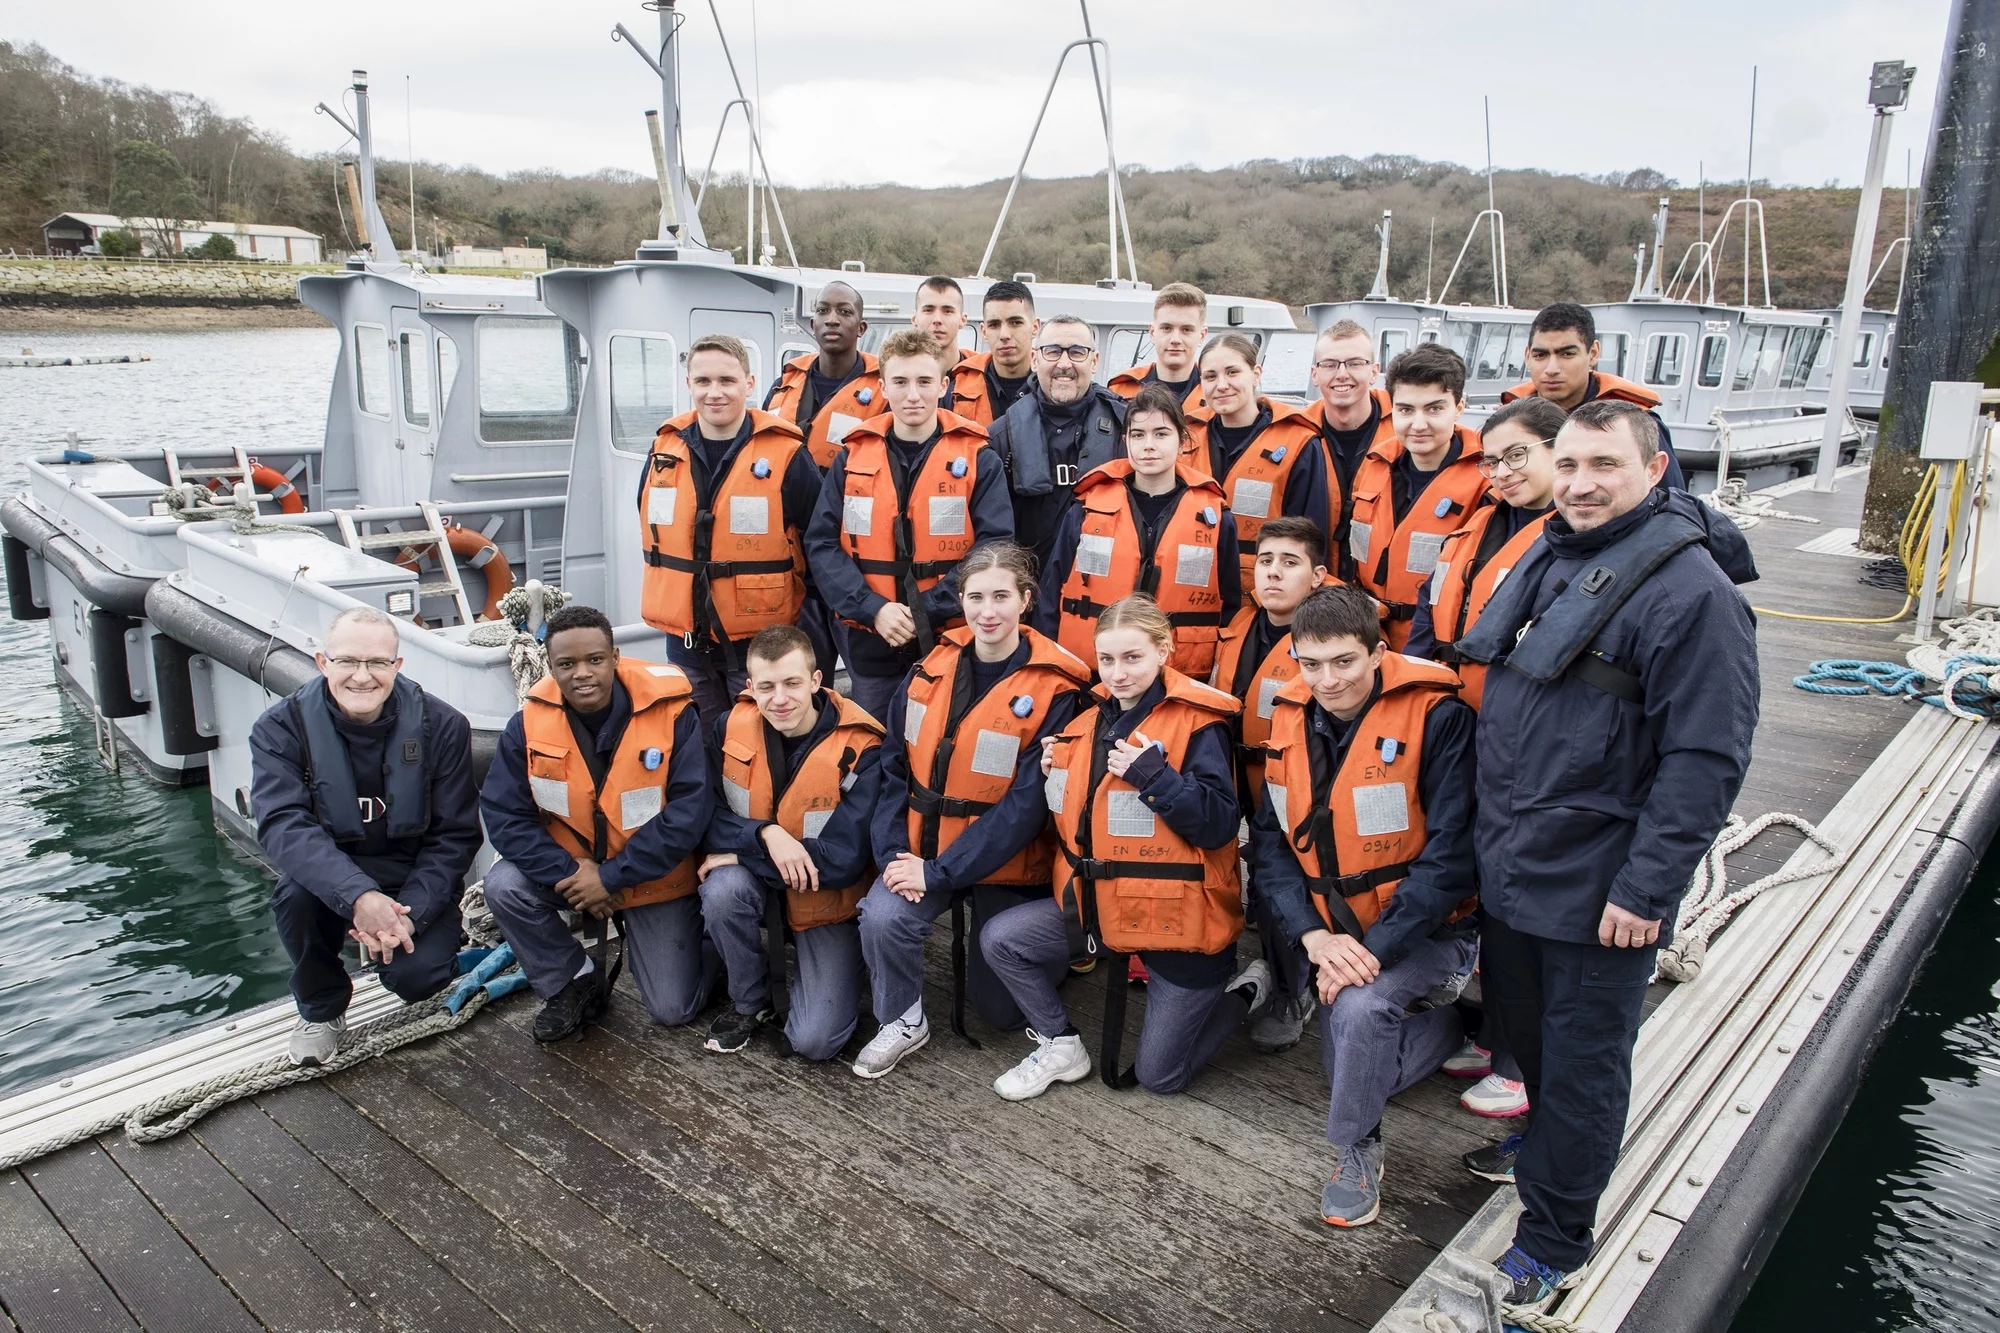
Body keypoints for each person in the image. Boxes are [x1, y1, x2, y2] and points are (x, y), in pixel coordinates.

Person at [1450, 400, 1756, 1303]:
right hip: (1516, 863)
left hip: (1599, 888)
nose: (1582, 484)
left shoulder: (1694, 596)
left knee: (1583, 1068)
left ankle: (1555, 1238)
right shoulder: (1561, 553)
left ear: (1655, 472)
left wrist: (1648, 887)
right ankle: (1540, 1150)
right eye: (1571, 463)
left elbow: (1706, 759)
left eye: (1605, 467)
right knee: (1531, 1044)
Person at [1249, 584, 1479, 1227]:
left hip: (1428, 931)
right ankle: (1452, 1029)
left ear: (1378, 652)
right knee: (1355, 1052)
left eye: (1344, 661)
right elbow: (1270, 845)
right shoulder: (1289, 715)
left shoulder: (1439, 718)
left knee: (1358, 1006)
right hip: (1332, 932)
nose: (1327, 680)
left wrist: (1364, 956)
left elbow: (1451, 858)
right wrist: (1314, 942)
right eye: (1311, 663)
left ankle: (1357, 1150)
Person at [984, 593, 1266, 1100]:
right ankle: (1060, 1042)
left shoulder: (1201, 724)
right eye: (1107, 659)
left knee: (1161, 1078)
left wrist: (1155, 777)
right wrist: (1056, 769)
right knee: (1002, 940)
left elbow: (1221, 825)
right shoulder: (1084, 723)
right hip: (1104, 907)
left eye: (1132, 657)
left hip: (1180, 918)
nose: (1117, 673)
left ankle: (1246, 991)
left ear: (1165, 650)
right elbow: (1075, 819)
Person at [852, 542, 1091, 1078]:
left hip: (1004, 857)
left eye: (1002, 596)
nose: (988, 611)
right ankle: (903, 1018)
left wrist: (941, 872)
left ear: (1026, 600)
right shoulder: (928, 667)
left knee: (1001, 1014)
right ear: (959, 600)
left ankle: (1058, 953)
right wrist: (895, 855)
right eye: (976, 596)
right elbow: (893, 768)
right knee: (884, 916)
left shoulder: (1057, 689)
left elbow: (1026, 808)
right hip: (923, 846)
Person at [251, 605, 480, 1066]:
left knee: (421, 978)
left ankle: (418, 955)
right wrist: (358, 896)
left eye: (377, 663)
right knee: (292, 897)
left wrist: (405, 918)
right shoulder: (280, 729)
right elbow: (283, 824)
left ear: (397, 666)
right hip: (330, 876)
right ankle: (321, 1008)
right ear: (322, 662)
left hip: (409, 875)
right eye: (348, 662)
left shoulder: (444, 727)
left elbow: (453, 836)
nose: (362, 677)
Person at [480, 605, 718, 1042]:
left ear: (615, 656)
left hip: (653, 876)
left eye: (594, 659)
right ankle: (571, 981)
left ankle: (706, 947)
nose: (581, 674)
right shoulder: (528, 724)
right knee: (503, 886)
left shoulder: (673, 715)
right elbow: (505, 815)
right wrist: (573, 874)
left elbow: (689, 814)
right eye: (566, 664)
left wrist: (610, 877)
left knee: (673, 1009)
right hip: (573, 872)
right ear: (550, 666)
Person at [803, 327, 1013, 722]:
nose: (912, 394)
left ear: (943, 385)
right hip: (871, 636)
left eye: (923, 381)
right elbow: (821, 544)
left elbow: (994, 547)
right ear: (883, 386)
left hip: (949, 634)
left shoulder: (978, 458)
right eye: (900, 382)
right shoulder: (851, 457)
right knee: (874, 743)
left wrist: (925, 611)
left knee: (940, 739)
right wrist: (874, 609)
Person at [697, 624, 882, 1060]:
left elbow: (846, 859)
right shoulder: (727, 728)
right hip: (759, 885)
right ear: (750, 688)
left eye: (792, 683)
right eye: (767, 687)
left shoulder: (863, 746)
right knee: (722, 890)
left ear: (818, 681)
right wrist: (764, 833)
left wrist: (745, 853)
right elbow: (701, 813)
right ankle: (749, 1000)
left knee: (815, 1043)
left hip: (826, 902)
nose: (780, 699)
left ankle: (844, 961)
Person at [639, 332, 823, 726]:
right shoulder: (663, 453)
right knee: (700, 743)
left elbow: (818, 538)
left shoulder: (787, 454)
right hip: (685, 643)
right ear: (689, 384)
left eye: (727, 381)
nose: (714, 392)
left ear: (749, 384)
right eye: (703, 382)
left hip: (761, 646)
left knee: (756, 746)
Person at [1210, 515, 1331, 1054]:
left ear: (1318, 575)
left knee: (1285, 881)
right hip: (1235, 773)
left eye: (1290, 563)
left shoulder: (1325, 641)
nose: (1274, 574)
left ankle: (1294, 991)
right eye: (1265, 562)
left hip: (1296, 783)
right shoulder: (1239, 625)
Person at [1036, 384, 1240, 679]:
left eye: (1161, 434)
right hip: (1093, 670)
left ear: (1182, 441)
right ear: (1125, 441)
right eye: (1138, 434)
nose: (1148, 445)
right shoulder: (1084, 510)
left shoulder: (1217, 519)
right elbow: (1053, 590)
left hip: (1178, 673)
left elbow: (1231, 605)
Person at [1408, 395, 1566, 709]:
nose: (1502, 472)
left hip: (1508, 713)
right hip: (1441, 706)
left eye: (1517, 455)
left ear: (1559, 449)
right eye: (1492, 462)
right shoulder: (1477, 526)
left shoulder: (1572, 541)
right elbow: (1429, 610)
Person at [1347, 344, 1485, 650]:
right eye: (1406, 410)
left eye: (1434, 409)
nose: (1418, 424)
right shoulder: (1373, 465)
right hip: (1366, 634)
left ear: (1459, 407)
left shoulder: (1485, 482)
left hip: (1435, 642)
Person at [1190, 333, 1331, 593]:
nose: (1221, 385)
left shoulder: (1299, 443)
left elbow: (1312, 539)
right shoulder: (1185, 438)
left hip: (1263, 597)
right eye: (1211, 376)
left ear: (1255, 374)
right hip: (1193, 587)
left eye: (1233, 372)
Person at [1501, 302, 1685, 490]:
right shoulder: (1508, 423)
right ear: (1527, 356)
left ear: (1593, 353)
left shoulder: (1636, 424)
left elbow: (1672, 502)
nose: (1551, 369)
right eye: (1540, 355)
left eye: (1567, 354)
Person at [986, 314, 1128, 554]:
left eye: (1077, 352)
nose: (1064, 364)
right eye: (1052, 351)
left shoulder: (1127, 433)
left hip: (1100, 580)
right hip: (1025, 581)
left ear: (1094, 361)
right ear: (1034, 359)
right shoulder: (1000, 437)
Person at [1300, 320, 1394, 581]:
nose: (1342, 374)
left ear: (1374, 372)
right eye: (1329, 365)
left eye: (1355, 363)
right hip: (1318, 592)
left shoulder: (1406, 433)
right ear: (1314, 374)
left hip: (1379, 593)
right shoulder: (1296, 435)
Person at [764, 280, 883, 468]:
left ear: (861, 328)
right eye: (822, 311)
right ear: (813, 324)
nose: (832, 320)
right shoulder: (782, 386)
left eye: (845, 312)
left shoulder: (884, 392)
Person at [947, 279, 1041, 426]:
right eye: (994, 325)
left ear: (1035, 327)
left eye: (1015, 323)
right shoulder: (955, 391)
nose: (1004, 335)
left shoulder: (1056, 386)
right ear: (984, 332)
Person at [1107, 282, 1208, 411]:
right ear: (1152, 332)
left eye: (1186, 329)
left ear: (1202, 335)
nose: (1175, 339)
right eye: (1166, 328)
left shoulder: (1218, 393)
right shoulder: (1119, 391)